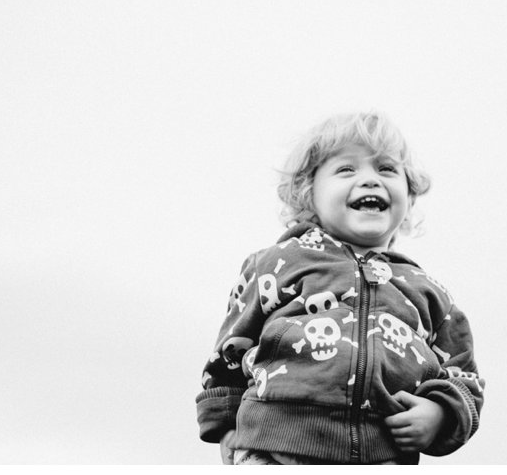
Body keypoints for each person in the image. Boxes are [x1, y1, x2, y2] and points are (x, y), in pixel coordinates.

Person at [195, 112, 485, 464]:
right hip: (274, 448)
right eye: (346, 169)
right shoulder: (276, 263)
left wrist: (441, 413)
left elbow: (463, 377)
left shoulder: (429, 293)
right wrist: (224, 425)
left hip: (381, 457)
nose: (370, 180)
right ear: (309, 194)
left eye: (387, 169)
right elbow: (231, 349)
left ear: (409, 197)